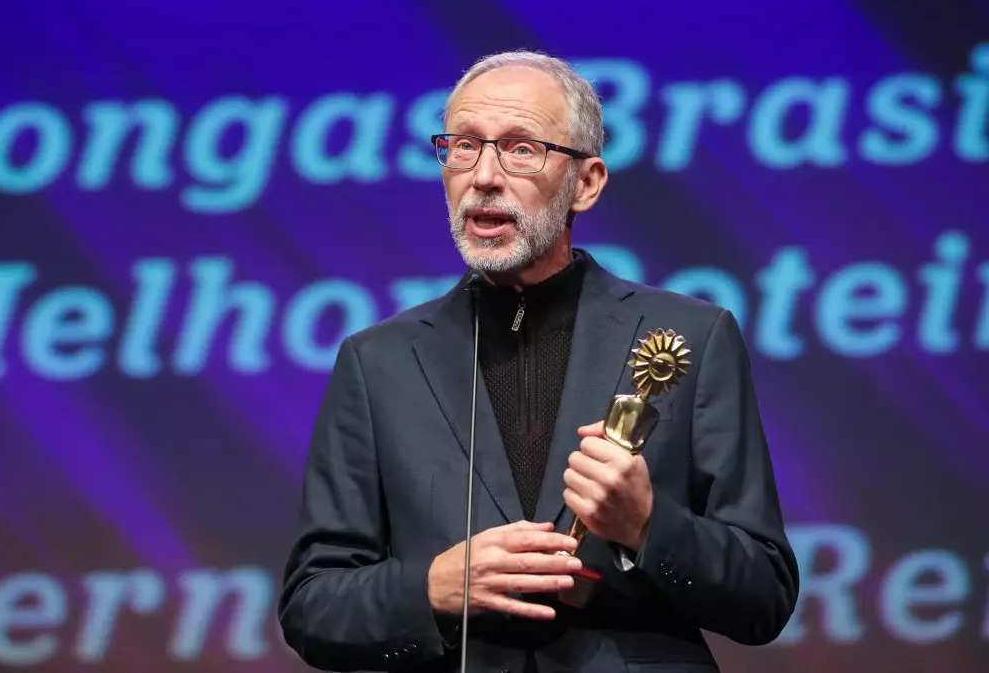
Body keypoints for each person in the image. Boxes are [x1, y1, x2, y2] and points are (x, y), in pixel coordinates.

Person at [277, 50, 799, 673]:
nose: (484, 176)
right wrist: (433, 589)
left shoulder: (692, 334)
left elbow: (765, 597)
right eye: (464, 146)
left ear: (587, 182)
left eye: (521, 149)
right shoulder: (377, 360)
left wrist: (647, 526)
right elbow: (312, 606)